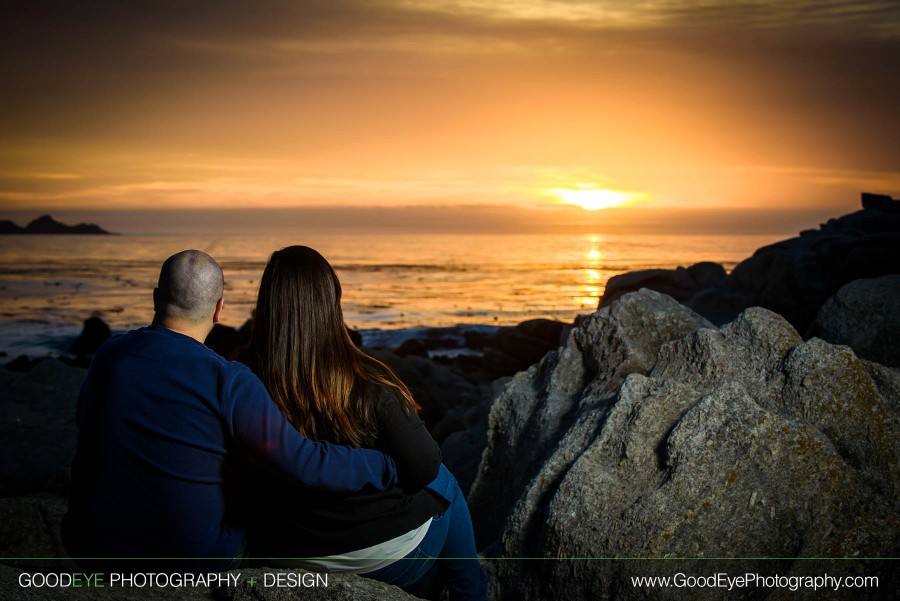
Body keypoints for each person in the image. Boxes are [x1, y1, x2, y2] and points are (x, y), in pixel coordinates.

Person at [62, 250, 398, 573]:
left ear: (155, 297)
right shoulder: (228, 379)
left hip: (88, 546)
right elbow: (304, 463)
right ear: (219, 309)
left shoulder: (109, 354)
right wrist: (386, 463)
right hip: (191, 561)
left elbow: (89, 427)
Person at [237, 245, 487, 601]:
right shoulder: (368, 381)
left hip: (287, 550)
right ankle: (471, 594)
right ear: (331, 303)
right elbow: (425, 467)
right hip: (385, 557)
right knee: (444, 481)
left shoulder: (241, 379)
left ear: (268, 306)